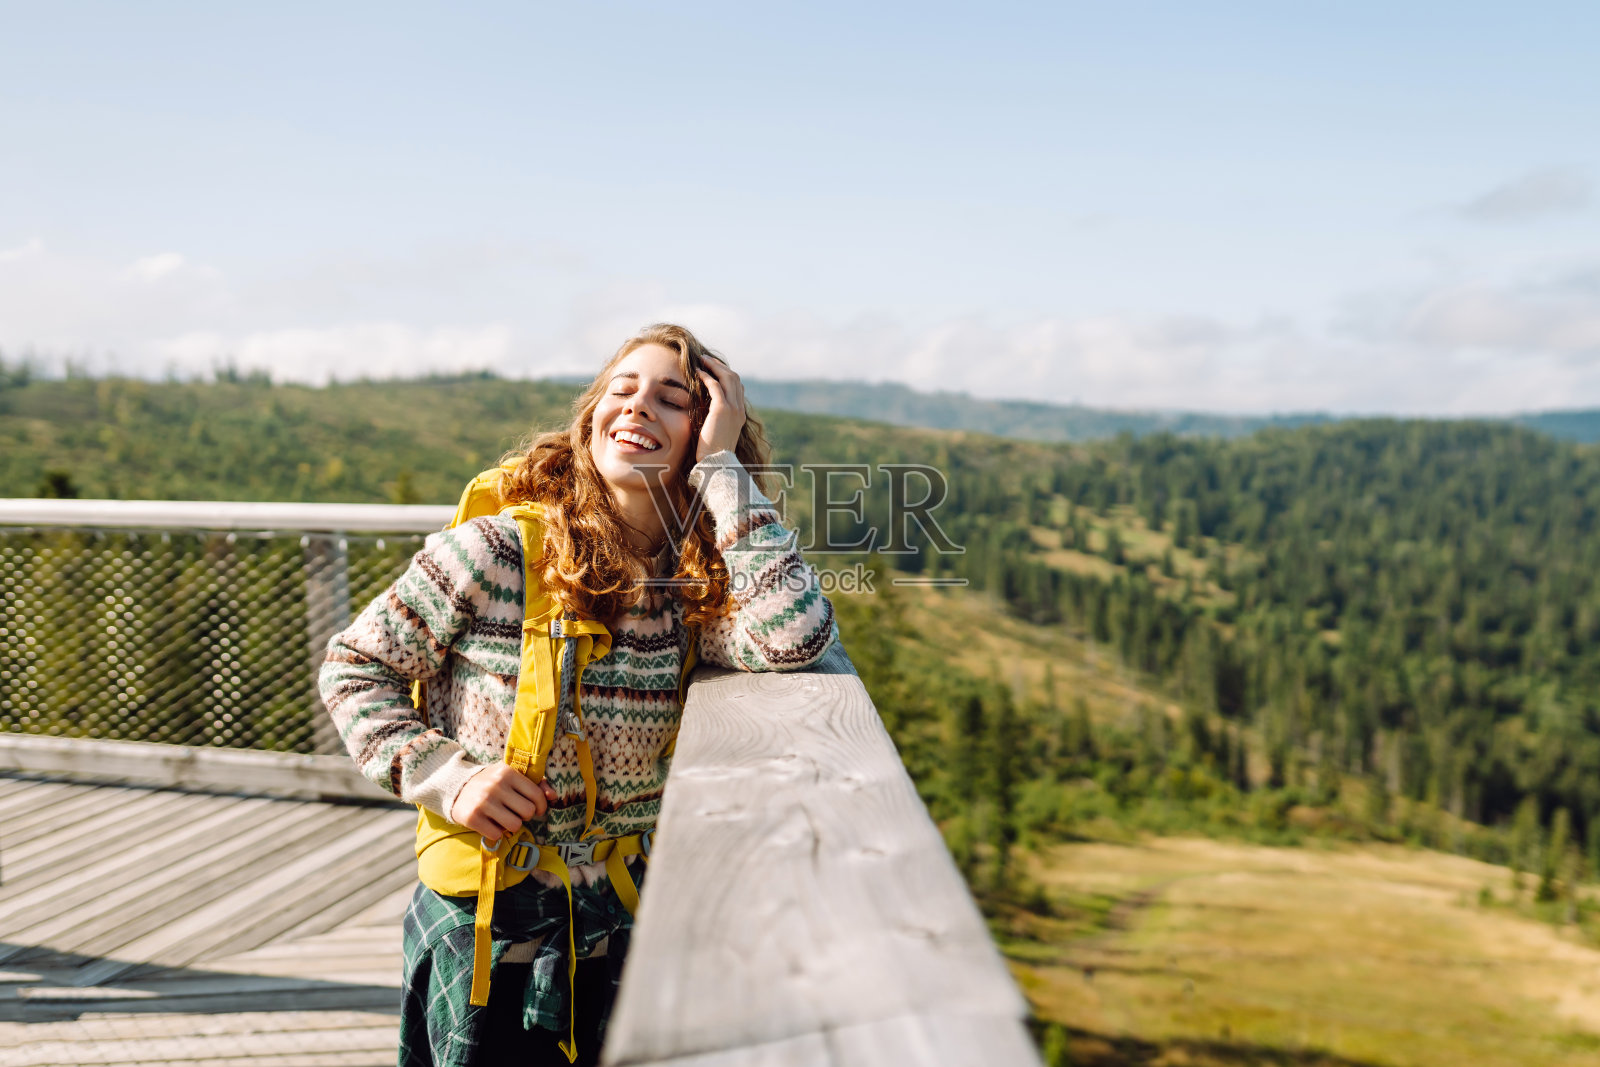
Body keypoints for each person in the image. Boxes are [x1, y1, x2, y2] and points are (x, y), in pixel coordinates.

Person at [318, 323, 838, 1066]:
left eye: (672, 398)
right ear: (591, 419)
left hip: (619, 923)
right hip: (487, 929)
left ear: (705, 430)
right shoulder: (496, 551)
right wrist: (447, 777)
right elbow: (353, 666)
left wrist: (722, 469)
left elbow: (795, 635)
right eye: (620, 392)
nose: (637, 409)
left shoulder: (695, 589)